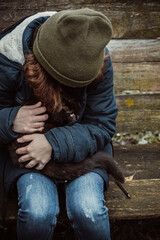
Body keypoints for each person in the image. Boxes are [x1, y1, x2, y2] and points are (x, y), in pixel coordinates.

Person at [0, 8, 118, 240]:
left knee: (89, 211)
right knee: (37, 212)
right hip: (27, 152)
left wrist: (53, 144)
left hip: (84, 148)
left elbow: (102, 123)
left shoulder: (95, 54)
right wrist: (11, 119)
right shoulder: (8, 57)